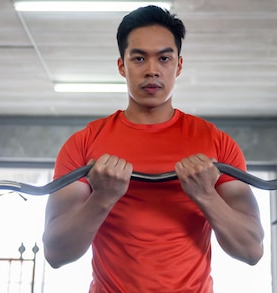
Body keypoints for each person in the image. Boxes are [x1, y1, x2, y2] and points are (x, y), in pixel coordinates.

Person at [43, 5, 264, 292]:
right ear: (122, 65)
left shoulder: (216, 144)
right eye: (139, 58)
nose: (151, 70)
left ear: (179, 65)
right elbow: (56, 254)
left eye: (164, 58)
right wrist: (103, 197)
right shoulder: (84, 144)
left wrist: (205, 194)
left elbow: (251, 251)